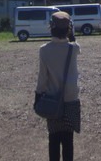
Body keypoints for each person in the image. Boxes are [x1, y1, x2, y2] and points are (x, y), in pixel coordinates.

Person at [35, 11, 81, 161]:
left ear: (51, 27)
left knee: (53, 138)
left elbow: (42, 78)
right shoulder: (73, 49)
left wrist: (38, 96)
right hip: (71, 99)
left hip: (53, 99)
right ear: (69, 28)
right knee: (68, 140)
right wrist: (71, 34)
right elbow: (74, 42)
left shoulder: (44, 50)